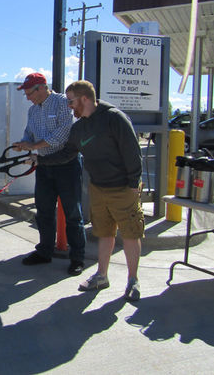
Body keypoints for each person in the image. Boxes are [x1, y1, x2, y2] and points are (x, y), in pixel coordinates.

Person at [41, 80, 144, 301]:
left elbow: (133, 153)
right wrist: (40, 160)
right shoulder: (79, 128)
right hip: (98, 187)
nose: (69, 106)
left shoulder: (114, 118)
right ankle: (101, 275)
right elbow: (68, 153)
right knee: (104, 233)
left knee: (130, 234)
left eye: (71, 101)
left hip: (124, 188)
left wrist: (134, 185)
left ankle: (133, 280)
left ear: (85, 99)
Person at [13, 72, 86, 276]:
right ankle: (45, 251)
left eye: (29, 93)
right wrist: (23, 143)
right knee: (44, 210)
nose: (27, 98)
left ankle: (77, 257)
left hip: (67, 164)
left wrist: (34, 145)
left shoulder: (64, 102)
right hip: (44, 166)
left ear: (42, 88)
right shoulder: (33, 111)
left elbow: (63, 133)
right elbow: (29, 132)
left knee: (73, 212)